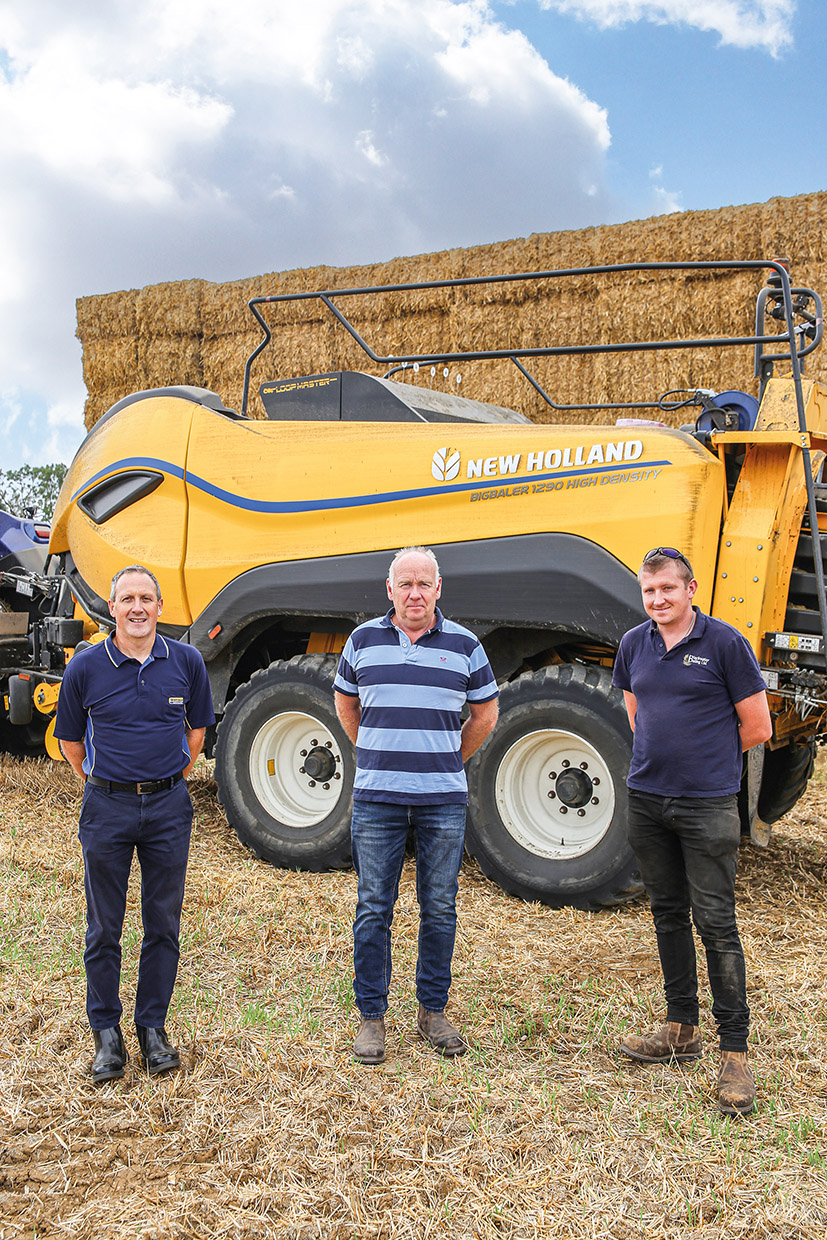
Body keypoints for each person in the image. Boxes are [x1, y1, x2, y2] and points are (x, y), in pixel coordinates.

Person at [612, 547, 772, 1116]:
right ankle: (681, 1026)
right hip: (647, 801)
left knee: (717, 922)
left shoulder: (725, 644)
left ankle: (735, 1053)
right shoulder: (635, 644)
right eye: (649, 591)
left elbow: (756, 726)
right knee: (667, 914)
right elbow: (636, 710)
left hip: (706, 806)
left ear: (691, 590)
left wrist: (704, 765)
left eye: (667, 590)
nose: (658, 600)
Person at [334, 546, 499, 1065]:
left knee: (440, 907)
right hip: (377, 799)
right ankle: (372, 1018)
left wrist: (448, 758)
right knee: (373, 908)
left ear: (438, 588)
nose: (414, 593)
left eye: (423, 584)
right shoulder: (362, 641)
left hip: (442, 801)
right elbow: (345, 703)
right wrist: (378, 753)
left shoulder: (465, 645)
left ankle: (432, 1009)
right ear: (390, 590)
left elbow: (485, 714)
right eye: (404, 584)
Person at [54, 565, 215, 1083]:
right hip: (107, 808)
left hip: (169, 808)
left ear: (160, 607)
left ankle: (153, 1030)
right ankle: (106, 1034)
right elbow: (71, 744)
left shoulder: (186, 662)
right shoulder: (86, 667)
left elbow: (196, 734)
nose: (138, 608)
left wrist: (165, 781)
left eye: (147, 598)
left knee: (162, 924)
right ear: (113, 607)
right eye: (128, 599)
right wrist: (108, 783)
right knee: (104, 927)